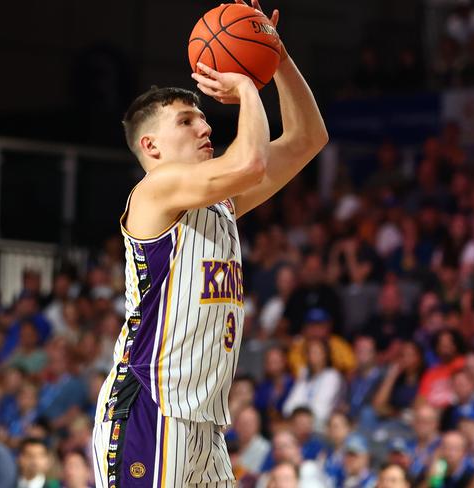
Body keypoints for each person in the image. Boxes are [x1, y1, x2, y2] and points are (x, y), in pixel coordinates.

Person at [91, 0, 328, 485]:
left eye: (202, 116)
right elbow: (251, 163)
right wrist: (245, 84)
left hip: (204, 422)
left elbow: (308, 138)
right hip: (151, 408)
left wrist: (276, 55)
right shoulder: (155, 190)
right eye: (185, 121)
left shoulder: (218, 203)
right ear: (151, 147)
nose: (204, 126)